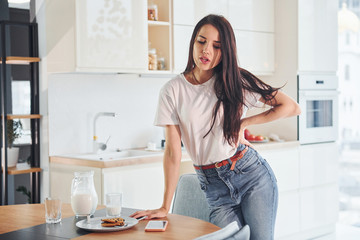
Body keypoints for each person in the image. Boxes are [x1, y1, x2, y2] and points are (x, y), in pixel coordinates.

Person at [130, 14, 301, 239]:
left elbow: (290, 106)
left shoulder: (236, 81)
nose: (206, 51)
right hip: (213, 187)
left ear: (226, 51)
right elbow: (172, 152)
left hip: (252, 176)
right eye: (201, 41)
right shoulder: (172, 91)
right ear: (193, 42)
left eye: (216, 46)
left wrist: (244, 123)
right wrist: (164, 205)